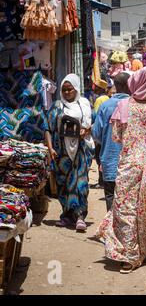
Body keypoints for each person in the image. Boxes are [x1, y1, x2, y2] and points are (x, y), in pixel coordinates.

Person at [97, 67, 146, 273]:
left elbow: (116, 137)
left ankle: (130, 255)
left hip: (129, 164)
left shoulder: (123, 106)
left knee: (125, 209)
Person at [47, 74, 94, 231]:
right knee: (63, 184)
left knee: (81, 183)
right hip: (61, 152)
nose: (67, 93)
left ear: (76, 89)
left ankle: (80, 215)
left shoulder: (85, 104)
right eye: (64, 90)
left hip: (81, 150)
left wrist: (85, 130)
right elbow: (48, 128)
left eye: (70, 89)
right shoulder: (57, 106)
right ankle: (67, 215)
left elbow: (92, 125)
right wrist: (50, 148)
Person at [92, 72, 131, 211]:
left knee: (110, 198)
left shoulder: (105, 106)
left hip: (109, 160)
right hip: (131, 164)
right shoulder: (137, 106)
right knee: (128, 203)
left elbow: (96, 134)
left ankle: (112, 230)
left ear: (116, 86)